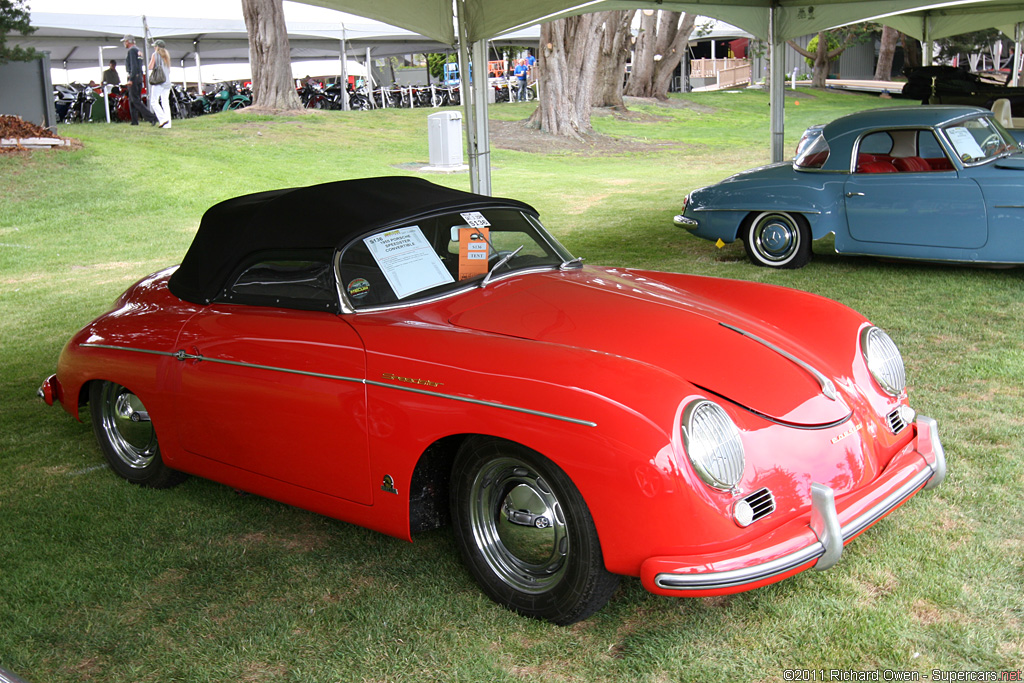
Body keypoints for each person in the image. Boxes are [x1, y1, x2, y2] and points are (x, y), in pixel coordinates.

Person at [121, 34, 158, 126]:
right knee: (132, 100)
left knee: (135, 100)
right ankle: (134, 120)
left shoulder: (132, 51)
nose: (124, 43)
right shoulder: (138, 51)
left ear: (128, 41)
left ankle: (152, 117)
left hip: (134, 77)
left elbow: (133, 66)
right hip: (139, 77)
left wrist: (131, 79)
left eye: (125, 41)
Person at [148, 40, 172, 128]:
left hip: (159, 81)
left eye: (155, 46)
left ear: (157, 47)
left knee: (154, 101)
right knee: (165, 102)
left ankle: (163, 119)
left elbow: (150, 67)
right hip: (167, 82)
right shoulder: (166, 56)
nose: (154, 47)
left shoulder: (155, 55)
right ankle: (168, 124)